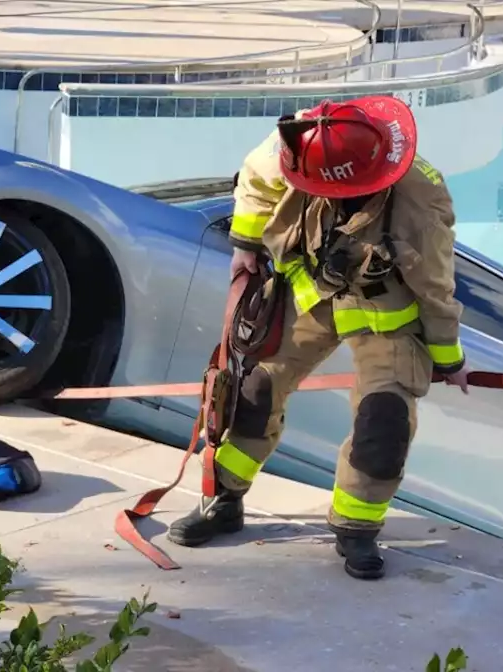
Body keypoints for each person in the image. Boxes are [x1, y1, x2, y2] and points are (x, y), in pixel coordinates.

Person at [165, 95, 471, 580]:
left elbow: (435, 285)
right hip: (310, 289)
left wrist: (447, 357)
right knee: (254, 390)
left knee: (384, 419)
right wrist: (245, 245)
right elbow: (256, 182)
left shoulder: (422, 194)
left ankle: (356, 528)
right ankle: (222, 498)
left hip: (383, 305)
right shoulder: (298, 142)